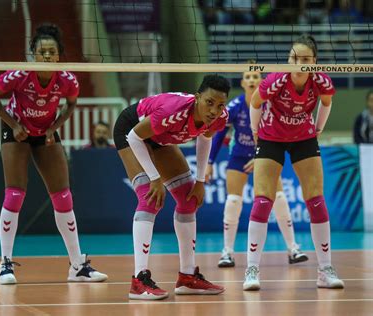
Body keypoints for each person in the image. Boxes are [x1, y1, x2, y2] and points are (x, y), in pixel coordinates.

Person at [0, 24, 107, 285]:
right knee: (15, 194)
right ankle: (5, 264)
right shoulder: (18, 75)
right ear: (33, 54)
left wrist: (54, 127)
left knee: (63, 196)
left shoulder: (67, 79)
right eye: (42, 52)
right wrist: (13, 124)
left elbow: (72, 103)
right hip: (16, 130)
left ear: (59, 55)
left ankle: (77, 266)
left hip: (46, 132)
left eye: (52, 52)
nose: (47, 56)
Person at [113, 75, 230, 300]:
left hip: (160, 137)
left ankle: (187, 277)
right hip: (132, 130)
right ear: (197, 98)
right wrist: (155, 178)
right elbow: (135, 137)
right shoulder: (173, 111)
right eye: (209, 102)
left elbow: (205, 139)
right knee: (149, 197)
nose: (214, 110)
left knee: (189, 200)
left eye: (220, 105)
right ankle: (139, 280)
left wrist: (200, 181)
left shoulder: (219, 117)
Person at [243, 34, 344, 291]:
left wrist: (318, 128)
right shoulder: (276, 79)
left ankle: (325, 270)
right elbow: (255, 102)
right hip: (270, 137)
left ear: (315, 62)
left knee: (316, 200)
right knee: (263, 199)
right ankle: (252, 269)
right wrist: (256, 133)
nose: (298, 63)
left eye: (305, 59)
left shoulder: (321, 81)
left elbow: (326, 102)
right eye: (293, 58)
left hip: (304, 137)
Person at [205, 67, 308, 268]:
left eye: (255, 76)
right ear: (243, 83)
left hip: (265, 155)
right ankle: (227, 252)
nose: (251, 79)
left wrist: (260, 156)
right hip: (239, 156)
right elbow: (218, 136)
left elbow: (279, 132)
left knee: (279, 197)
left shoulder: (270, 104)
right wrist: (209, 163)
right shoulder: (235, 106)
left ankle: (293, 248)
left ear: (261, 81)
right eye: (247, 77)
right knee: (233, 200)